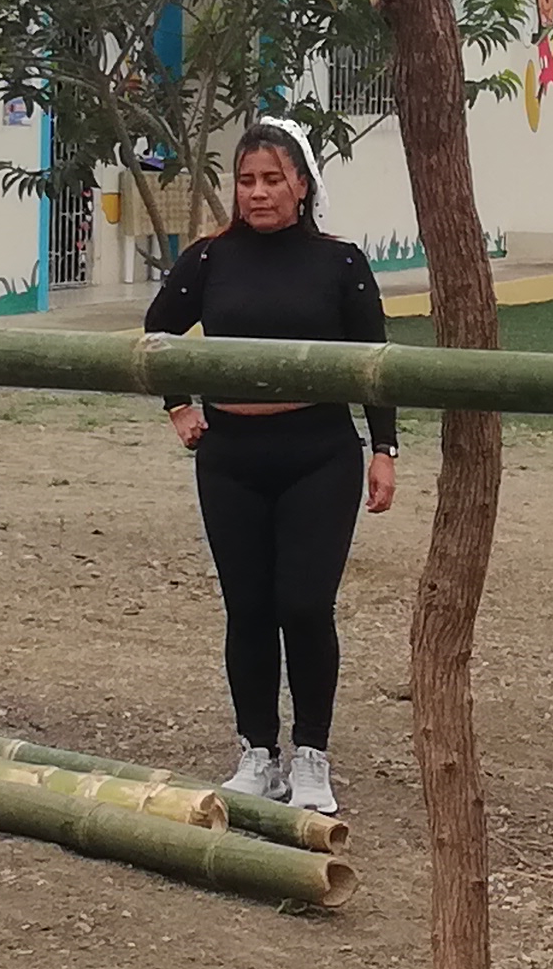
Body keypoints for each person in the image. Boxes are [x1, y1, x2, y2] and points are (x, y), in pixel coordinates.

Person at [143, 119, 397, 817]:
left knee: (304, 606)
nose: (258, 193)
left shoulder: (340, 262)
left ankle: (312, 756)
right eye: (247, 180)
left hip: (319, 454)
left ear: (302, 186)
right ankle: (259, 754)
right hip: (230, 459)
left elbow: (375, 362)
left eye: (273, 179)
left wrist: (384, 449)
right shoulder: (209, 259)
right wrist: (177, 405)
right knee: (248, 608)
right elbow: (158, 330)